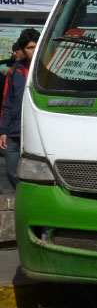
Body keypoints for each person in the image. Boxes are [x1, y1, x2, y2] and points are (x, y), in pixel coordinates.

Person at [0, 28, 40, 189]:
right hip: (14, 131)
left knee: (36, 174)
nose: (33, 51)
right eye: (30, 48)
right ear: (23, 50)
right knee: (11, 170)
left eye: (36, 46)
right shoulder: (15, 71)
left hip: (37, 130)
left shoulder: (48, 70)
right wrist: (3, 130)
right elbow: (7, 102)